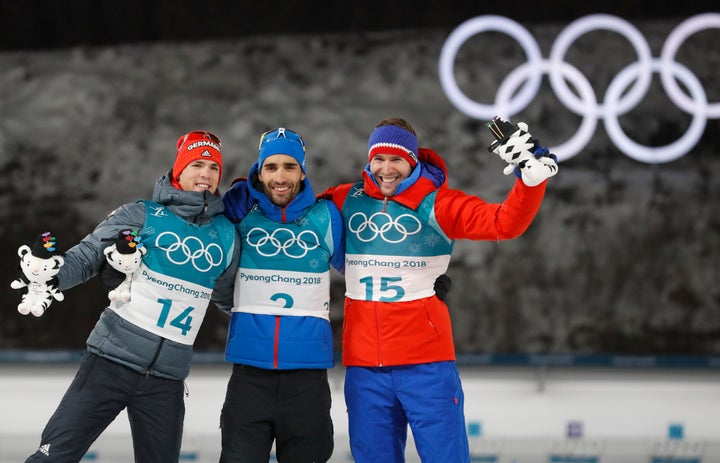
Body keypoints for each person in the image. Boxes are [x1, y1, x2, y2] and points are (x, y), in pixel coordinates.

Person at [319, 117, 558, 462]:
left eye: (396, 159)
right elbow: (297, 215)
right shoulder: (345, 199)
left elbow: (504, 223)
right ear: (368, 161)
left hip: (426, 364)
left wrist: (531, 183)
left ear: (413, 161)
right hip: (364, 366)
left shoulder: (439, 204)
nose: (387, 169)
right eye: (379, 159)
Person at [22, 130, 240, 463]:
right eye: (197, 164)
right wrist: (47, 270)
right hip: (109, 362)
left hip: (166, 380)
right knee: (53, 458)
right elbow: (85, 259)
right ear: (179, 170)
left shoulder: (226, 235)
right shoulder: (141, 214)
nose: (206, 174)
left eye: (213, 167)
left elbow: (232, 299)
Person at [217, 127, 344, 463]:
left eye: (290, 166)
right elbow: (198, 233)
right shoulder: (241, 213)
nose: (280, 176)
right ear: (259, 172)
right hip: (249, 376)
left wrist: (428, 278)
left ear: (303, 171)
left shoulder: (325, 217)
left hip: (308, 379)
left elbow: (363, 267)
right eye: (271, 167)